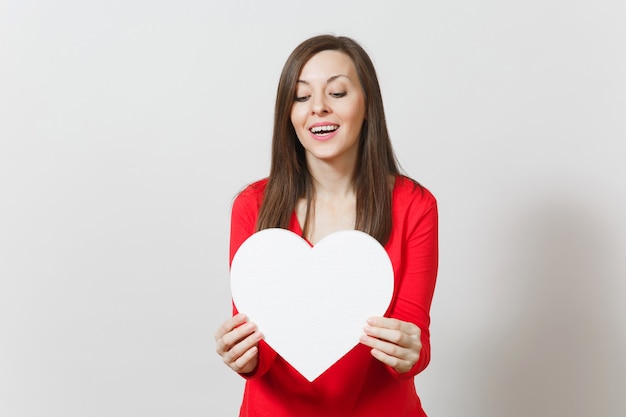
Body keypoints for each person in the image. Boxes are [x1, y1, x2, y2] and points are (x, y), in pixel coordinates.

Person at [214, 34, 438, 417]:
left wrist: (408, 354)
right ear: (290, 116)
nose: (318, 107)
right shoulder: (252, 206)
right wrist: (244, 357)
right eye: (301, 97)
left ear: (368, 105)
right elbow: (259, 347)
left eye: (337, 93)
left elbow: (412, 343)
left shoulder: (413, 206)